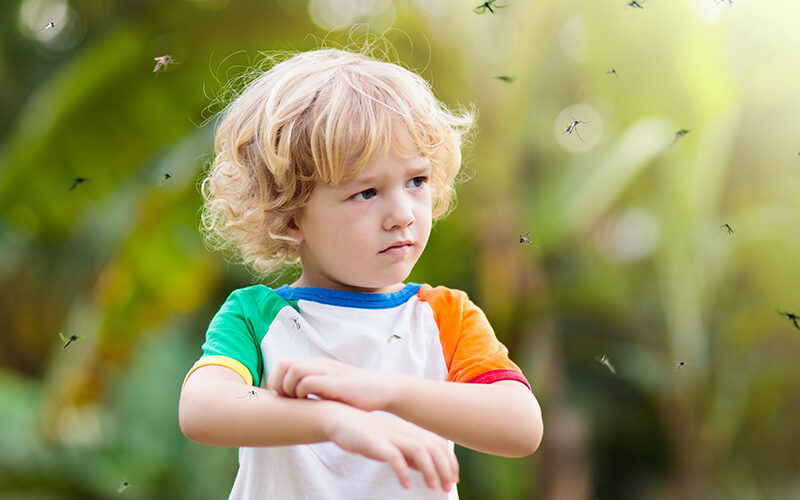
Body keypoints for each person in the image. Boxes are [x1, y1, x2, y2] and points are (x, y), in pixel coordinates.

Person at [178, 47, 543, 500]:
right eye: (366, 192)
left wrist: (384, 391)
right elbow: (202, 408)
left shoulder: (445, 316)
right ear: (289, 217)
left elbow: (521, 425)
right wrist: (332, 419)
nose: (403, 214)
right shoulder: (256, 317)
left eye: (417, 181)